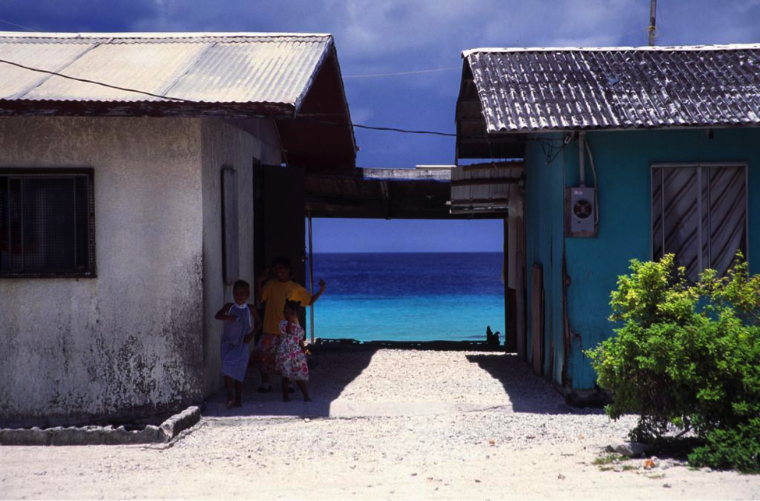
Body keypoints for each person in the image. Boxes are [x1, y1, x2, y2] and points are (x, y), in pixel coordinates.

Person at [254, 256, 325, 392]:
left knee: (289, 357)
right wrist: (259, 282)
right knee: (261, 354)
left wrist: (321, 291)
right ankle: (265, 382)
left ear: (288, 270)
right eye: (276, 269)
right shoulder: (271, 285)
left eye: (281, 268)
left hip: (290, 331)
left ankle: (290, 382)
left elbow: (308, 301)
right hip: (270, 328)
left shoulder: (295, 287)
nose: (278, 271)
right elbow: (259, 298)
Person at [215, 280, 260, 408]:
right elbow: (217, 316)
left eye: (242, 294)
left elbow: (259, 323)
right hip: (228, 344)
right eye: (236, 293)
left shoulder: (250, 309)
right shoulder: (229, 307)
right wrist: (229, 318)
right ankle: (230, 396)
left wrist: (251, 335)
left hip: (242, 344)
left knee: (239, 371)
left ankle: (238, 398)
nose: (239, 296)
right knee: (227, 368)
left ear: (247, 295)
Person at [277, 300, 312, 402]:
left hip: (297, 354)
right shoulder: (282, 324)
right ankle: (286, 397)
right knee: (286, 376)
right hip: (285, 353)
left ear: (296, 314)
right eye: (285, 312)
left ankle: (306, 396)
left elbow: (300, 342)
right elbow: (288, 332)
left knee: (299, 376)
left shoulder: (299, 329)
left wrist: (306, 351)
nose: (288, 315)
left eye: (291, 313)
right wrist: (289, 321)